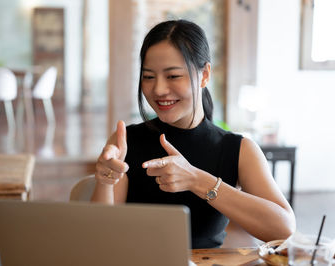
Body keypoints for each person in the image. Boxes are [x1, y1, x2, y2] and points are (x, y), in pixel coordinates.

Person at [91, 19, 295, 248]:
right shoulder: (125, 142)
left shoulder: (238, 149)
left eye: (173, 76)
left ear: (205, 74)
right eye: (148, 76)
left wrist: (197, 180)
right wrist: (104, 181)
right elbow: (100, 240)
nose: (158, 89)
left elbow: (284, 229)